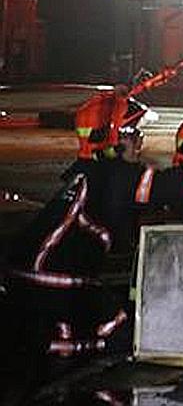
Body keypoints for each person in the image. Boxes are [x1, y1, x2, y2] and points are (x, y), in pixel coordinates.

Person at [3, 90, 157, 360]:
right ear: (114, 141)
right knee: (124, 335)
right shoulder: (113, 177)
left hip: (37, 276)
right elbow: (170, 189)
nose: (139, 143)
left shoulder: (91, 173)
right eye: (133, 134)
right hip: (54, 283)